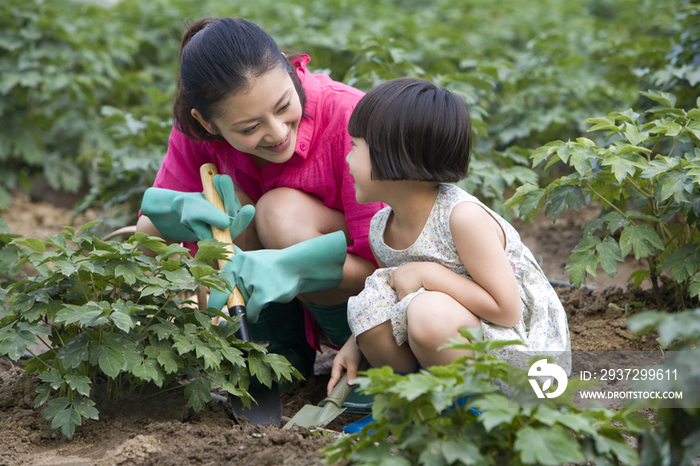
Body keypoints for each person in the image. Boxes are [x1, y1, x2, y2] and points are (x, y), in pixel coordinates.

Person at [137, 17, 384, 379]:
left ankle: (365, 360)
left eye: (284, 106)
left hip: (369, 300)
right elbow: (146, 240)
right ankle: (277, 356)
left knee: (277, 213)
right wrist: (177, 211)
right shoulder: (196, 136)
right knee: (227, 207)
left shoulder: (350, 117)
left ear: (289, 67)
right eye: (250, 128)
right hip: (285, 299)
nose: (278, 132)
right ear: (207, 124)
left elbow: (394, 265)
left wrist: (295, 265)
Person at [328, 78, 572, 404]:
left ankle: (470, 409)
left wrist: (429, 275)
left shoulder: (461, 218)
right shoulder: (381, 227)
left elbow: (507, 310)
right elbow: (389, 299)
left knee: (427, 313)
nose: (347, 158)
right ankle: (412, 403)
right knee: (371, 310)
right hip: (453, 333)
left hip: (515, 344)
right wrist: (354, 341)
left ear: (394, 158)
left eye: (355, 146)